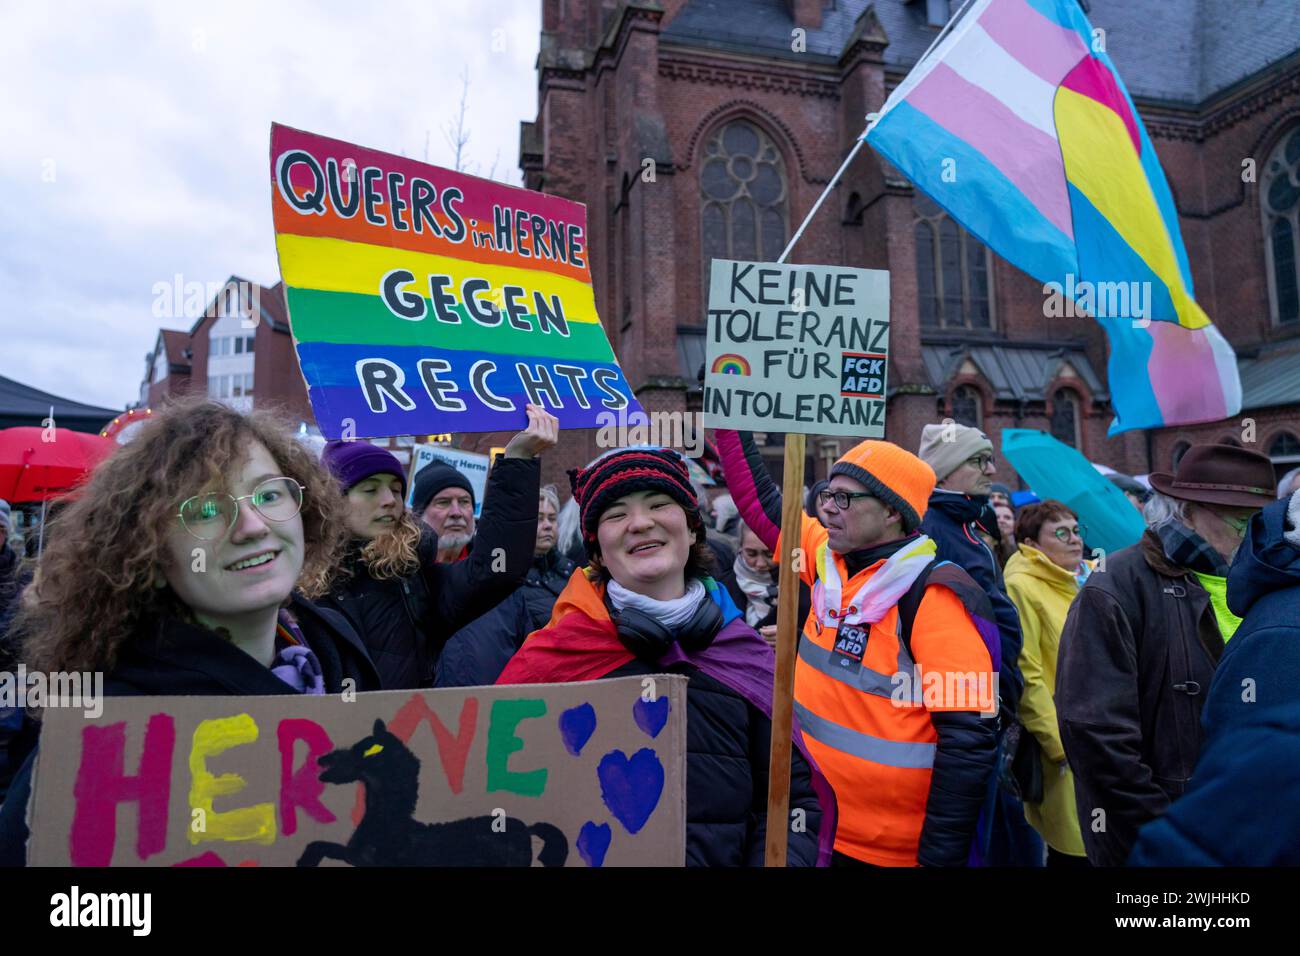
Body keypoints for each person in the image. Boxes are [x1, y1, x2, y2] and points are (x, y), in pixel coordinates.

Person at [0, 399, 381, 865]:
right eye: (204, 509)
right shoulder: (103, 741)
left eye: (267, 495)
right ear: (150, 556)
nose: (252, 526)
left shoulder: (335, 652)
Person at [497, 446, 832, 867]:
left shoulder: (746, 656)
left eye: (659, 505)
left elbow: (792, 803)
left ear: (692, 530)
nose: (640, 523)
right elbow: (504, 804)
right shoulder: (552, 657)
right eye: (616, 514)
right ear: (596, 549)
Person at [717, 429, 999, 867]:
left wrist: (941, 857)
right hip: (811, 830)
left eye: (845, 498)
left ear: (891, 511)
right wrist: (732, 413)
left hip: (890, 853)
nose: (827, 506)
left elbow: (968, 740)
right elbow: (760, 500)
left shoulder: (935, 596)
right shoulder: (824, 558)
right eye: (828, 493)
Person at [1055, 443, 1276, 866]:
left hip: (1252, 827)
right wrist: (1167, 832)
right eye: (1240, 520)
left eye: (1260, 522)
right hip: (1163, 840)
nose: (1252, 536)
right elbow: (1095, 735)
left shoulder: (1263, 583)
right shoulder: (1116, 586)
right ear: (1188, 510)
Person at [320, 404, 557, 689]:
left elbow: (497, 569)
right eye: (370, 489)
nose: (389, 500)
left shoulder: (415, 582)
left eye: (396, 489)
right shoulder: (296, 585)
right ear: (333, 502)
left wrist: (518, 459)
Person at [1129, 489, 1300, 865]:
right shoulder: (1125, 580)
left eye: (1249, 515)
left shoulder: (1248, 587)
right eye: (1234, 517)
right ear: (1188, 512)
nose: (1243, 529)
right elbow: (1094, 718)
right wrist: (1148, 813)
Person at [916, 422, 1035, 866]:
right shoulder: (935, 528)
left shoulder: (963, 522)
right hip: (968, 711)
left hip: (989, 706)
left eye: (988, 458)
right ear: (945, 473)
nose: (991, 468)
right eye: (977, 460)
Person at [1003, 500, 1091, 866]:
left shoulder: (1092, 577)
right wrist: (1060, 745)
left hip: (1109, 739)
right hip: (1065, 748)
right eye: (1060, 533)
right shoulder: (1022, 587)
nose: (1074, 540)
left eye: (1076, 530)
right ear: (1032, 544)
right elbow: (1029, 673)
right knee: (1074, 849)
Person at [435, 485, 577, 687]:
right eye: (538, 518)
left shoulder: (572, 572)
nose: (547, 526)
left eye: (552, 519)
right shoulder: (504, 576)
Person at [716, 522, 811, 651]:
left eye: (770, 554)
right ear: (740, 548)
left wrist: (795, 638)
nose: (760, 563)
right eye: (751, 554)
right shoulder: (723, 587)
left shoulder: (804, 587)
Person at [410, 461, 477, 563]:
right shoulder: (399, 569)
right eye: (443, 502)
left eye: (464, 502)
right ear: (419, 516)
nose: (456, 513)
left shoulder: (492, 562)